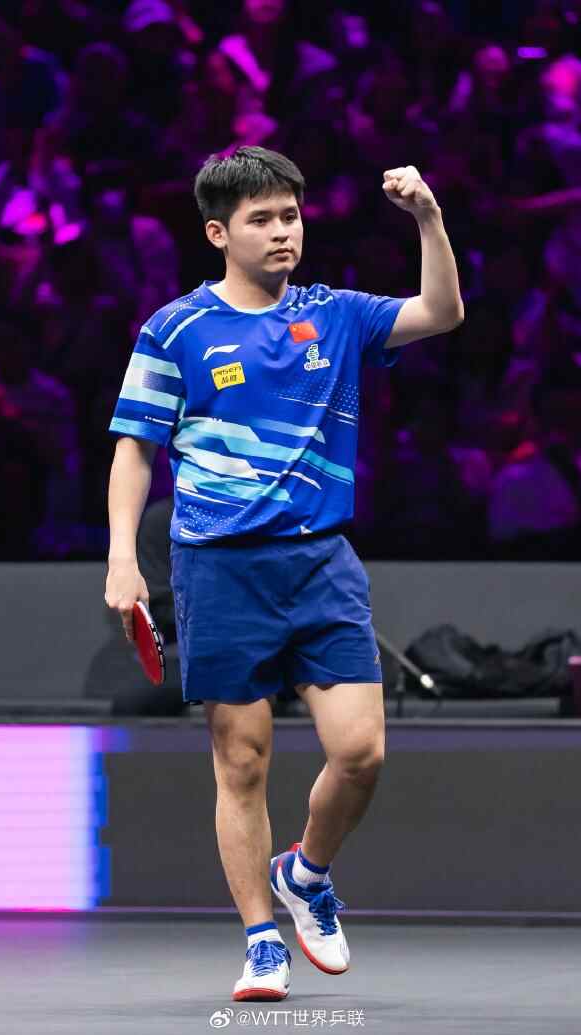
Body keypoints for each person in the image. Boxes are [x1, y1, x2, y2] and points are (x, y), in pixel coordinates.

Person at [104, 146, 463, 1001]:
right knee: (242, 761)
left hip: (319, 561)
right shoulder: (174, 330)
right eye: (261, 219)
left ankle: (305, 872)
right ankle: (262, 940)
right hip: (218, 568)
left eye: (291, 216)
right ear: (218, 233)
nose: (282, 233)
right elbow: (135, 449)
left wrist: (428, 217)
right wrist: (122, 557)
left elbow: (441, 312)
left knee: (361, 751)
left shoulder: (335, 314)